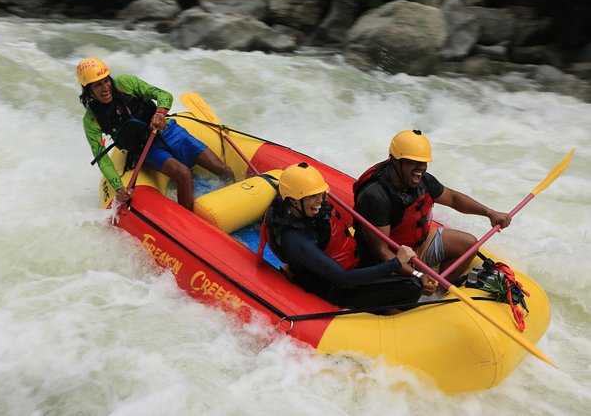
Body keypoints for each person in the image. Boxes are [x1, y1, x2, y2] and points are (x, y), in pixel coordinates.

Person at [261, 162, 436, 312]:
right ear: (293, 200)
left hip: (352, 262)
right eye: (313, 196)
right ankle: (387, 316)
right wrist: (396, 263)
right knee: (411, 286)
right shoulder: (294, 239)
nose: (320, 201)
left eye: (321, 194)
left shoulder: (302, 208)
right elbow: (343, 278)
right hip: (336, 287)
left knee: (388, 264)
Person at [353, 129, 512, 283]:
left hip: (417, 245)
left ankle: (437, 291)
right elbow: (381, 252)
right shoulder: (375, 195)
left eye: (424, 162)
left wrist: (489, 213)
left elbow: (453, 199)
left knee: (468, 244)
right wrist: (417, 274)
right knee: (410, 287)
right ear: (395, 160)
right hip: (390, 259)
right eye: (413, 162)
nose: (421, 168)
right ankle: (418, 287)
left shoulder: (422, 180)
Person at [76, 57, 234, 210]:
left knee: (224, 171)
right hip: (146, 148)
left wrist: (159, 113)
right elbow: (102, 159)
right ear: (88, 90)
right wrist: (119, 187)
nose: (105, 88)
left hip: (168, 130)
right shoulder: (91, 120)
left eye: (106, 81)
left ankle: (232, 205)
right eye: (98, 85)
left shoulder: (126, 83)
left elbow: (164, 95)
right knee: (183, 173)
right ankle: (192, 223)